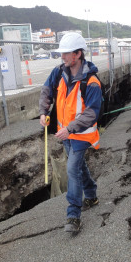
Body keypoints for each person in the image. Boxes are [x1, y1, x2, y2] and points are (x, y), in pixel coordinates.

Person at [39, 32, 102, 233]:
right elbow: (46, 90)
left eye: (66, 53)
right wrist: (43, 111)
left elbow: (92, 113)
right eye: (62, 53)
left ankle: (73, 215)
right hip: (65, 133)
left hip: (81, 135)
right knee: (79, 166)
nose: (63, 57)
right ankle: (91, 195)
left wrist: (70, 128)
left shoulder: (91, 82)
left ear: (78, 54)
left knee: (72, 168)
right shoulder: (59, 72)